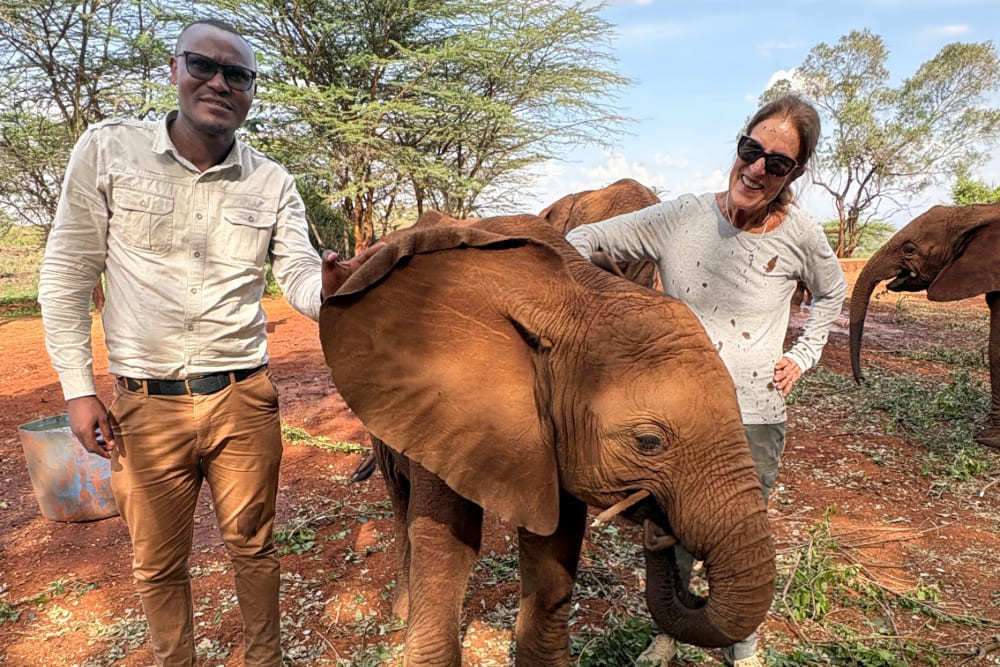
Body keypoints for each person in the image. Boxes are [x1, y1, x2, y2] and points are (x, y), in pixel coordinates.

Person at [38, 19, 382, 667]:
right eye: (203, 65)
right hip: (143, 404)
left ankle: (265, 658)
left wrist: (332, 288)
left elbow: (299, 275)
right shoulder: (108, 150)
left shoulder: (272, 182)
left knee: (254, 545)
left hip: (242, 398)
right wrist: (78, 390)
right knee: (156, 561)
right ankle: (176, 658)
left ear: (251, 93)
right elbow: (67, 270)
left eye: (238, 75)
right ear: (174, 70)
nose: (219, 82)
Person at [565, 94, 847, 667]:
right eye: (752, 150)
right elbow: (579, 243)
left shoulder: (802, 235)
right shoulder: (682, 216)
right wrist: (617, 314)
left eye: (779, 163)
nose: (758, 169)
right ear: (739, 145)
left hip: (756, 411)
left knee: (739, 531)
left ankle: (741, 640)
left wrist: (806, 354)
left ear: (795, 172)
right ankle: (670, 628)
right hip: (677, 413)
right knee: (670, 526)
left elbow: (833, 293)